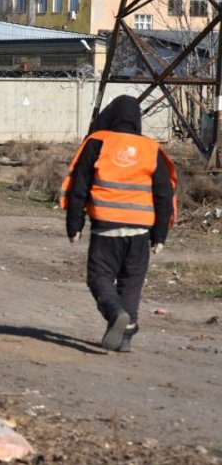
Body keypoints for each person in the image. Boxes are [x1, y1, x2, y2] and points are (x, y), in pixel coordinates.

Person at [60, 95, 177, 352]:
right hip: (140, 231)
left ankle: (114, 314)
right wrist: (160, 236)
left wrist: (74, 225)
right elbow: (163, 194)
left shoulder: (98, 142)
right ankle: (125, 338)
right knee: (131, 283)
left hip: (106, 227)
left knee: (99, 277)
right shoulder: (151, 149)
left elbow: (80, 186)